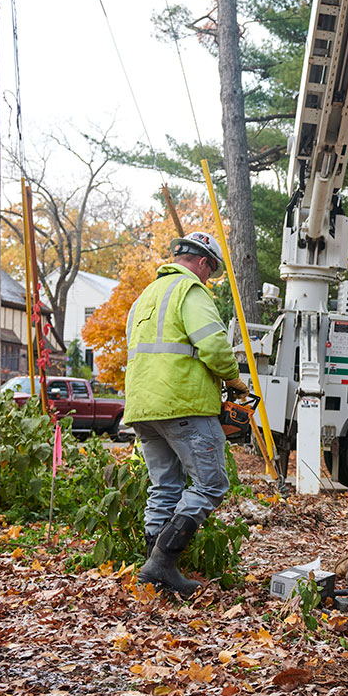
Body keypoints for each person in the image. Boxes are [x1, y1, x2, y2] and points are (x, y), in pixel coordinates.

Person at [124, 231, 249, 597]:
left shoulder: (143, 297)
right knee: (211, 485)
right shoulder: (192, 292)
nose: (209, 278)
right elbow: (213, 345)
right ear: (203, 262)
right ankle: (162, 563)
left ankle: (154, 571)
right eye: (210, 270)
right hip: (184, 404)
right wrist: (234, 380)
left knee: (165, 488)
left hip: (143, 408)